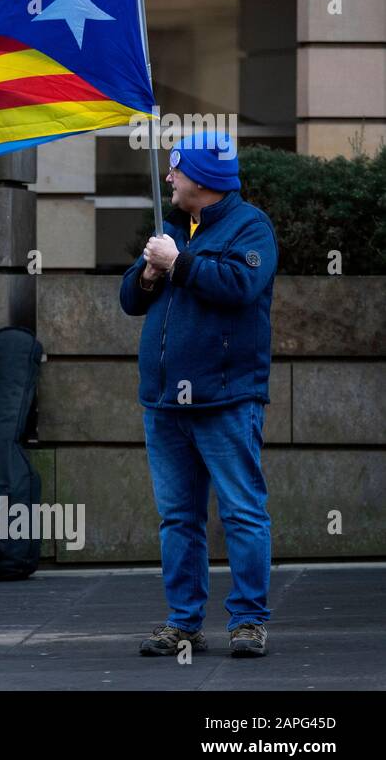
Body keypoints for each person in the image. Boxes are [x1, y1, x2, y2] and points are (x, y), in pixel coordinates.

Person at [119, 131, 278, 658]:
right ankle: (183, 623)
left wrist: (178, 264)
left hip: (227, 399)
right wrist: (148, 270)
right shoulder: (172, 229)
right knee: (178, 518)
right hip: (165, 403)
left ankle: (249, 622)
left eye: (177, 169)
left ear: (205, 179)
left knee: (242, 512)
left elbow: (239, 286)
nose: (168, 177)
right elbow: (130, 301)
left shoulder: (250, 226)